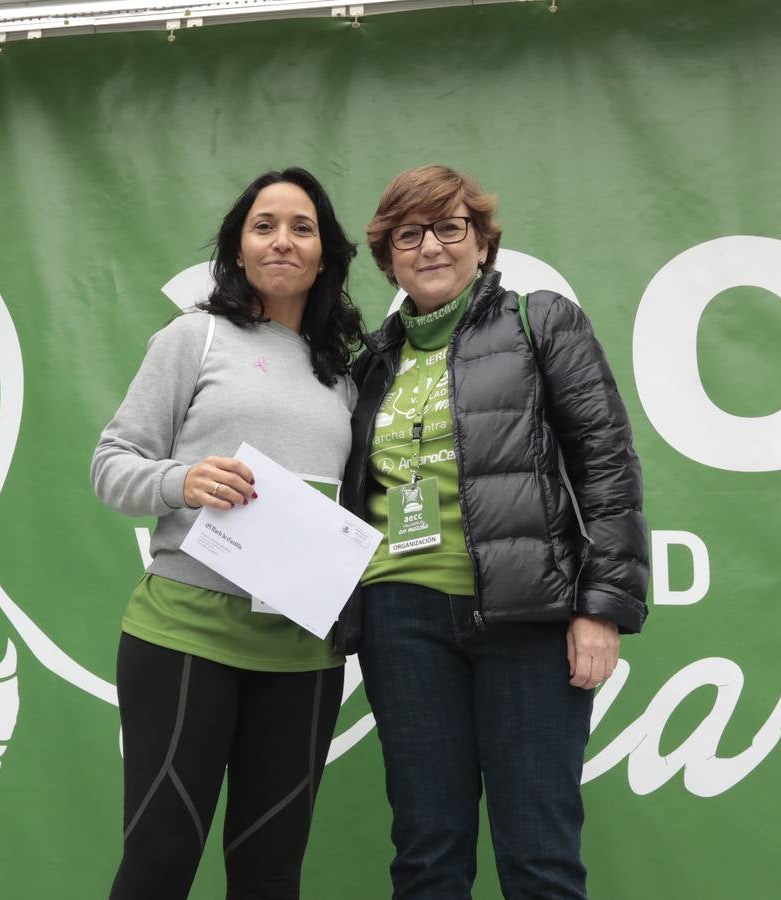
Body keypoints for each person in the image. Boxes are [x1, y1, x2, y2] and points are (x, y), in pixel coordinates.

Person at [333, 165, 649, 900]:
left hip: (526, 615)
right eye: (410, 234)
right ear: (388, 258)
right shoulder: (369, 365)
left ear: (482, 243)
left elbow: (607, 467)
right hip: (399, 619)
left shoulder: (542, 321)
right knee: (426, 854)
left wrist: (601, 608)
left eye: (450, 227)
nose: (431, 247)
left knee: (539, 857)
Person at [90, 167, 363, 900]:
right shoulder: (194, 337)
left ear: (325, 254)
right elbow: (110, 464)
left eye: (302, 227)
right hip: (185, 638)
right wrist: (182, 481)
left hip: (304, 655)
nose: (283, 240)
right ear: (239, 249)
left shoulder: (343, 371)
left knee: (271, 878)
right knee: (158, 867)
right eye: (264, 225)